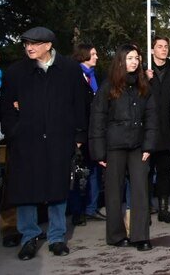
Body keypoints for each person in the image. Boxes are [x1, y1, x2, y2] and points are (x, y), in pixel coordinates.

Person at [1, 27, 87, 260]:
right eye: (26, 43)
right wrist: (14, 131)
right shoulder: (16, 72)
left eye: (35, 43)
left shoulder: (69, 69)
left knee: (57, 188)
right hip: (26, 141)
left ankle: (57, 237)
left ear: (48, 45)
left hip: (60, 138)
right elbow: (5, 108)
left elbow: (79, 104)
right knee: (25, 190)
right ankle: (29, 237)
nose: (29, 47)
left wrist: (79, 136)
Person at [89, 44, 156, 251]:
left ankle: (140, 236)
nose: (134, 62)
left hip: (138, 146)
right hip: (114, 145)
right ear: (120, 60)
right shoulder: (108, 86)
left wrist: (148, 145)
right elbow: (98, 118)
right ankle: (116, 235)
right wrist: (99, 152)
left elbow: (151, 117)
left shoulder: (144, 86)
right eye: (129, 58)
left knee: (140, 190)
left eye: (136, 58)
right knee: (113, 192)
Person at [145, 36, 170, 224]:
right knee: (145, 172)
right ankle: (145, 208)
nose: (163, 49)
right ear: (152, 50)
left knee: (164, 172)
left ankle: (163, 208)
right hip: (147, 131)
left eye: (166, 46)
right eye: (159, 46)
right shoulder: (143, 71)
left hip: (167, 129)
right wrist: (145, 79)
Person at [68, 43, 102, 225]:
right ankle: (77, 210)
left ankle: (91, 207)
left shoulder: (96, 76)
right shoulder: (74, 75)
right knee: (78, 172)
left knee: (95, 170)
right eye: (93, 54)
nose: (96, 57)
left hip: (95, 131)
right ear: (84, 55)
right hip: (79, 132)